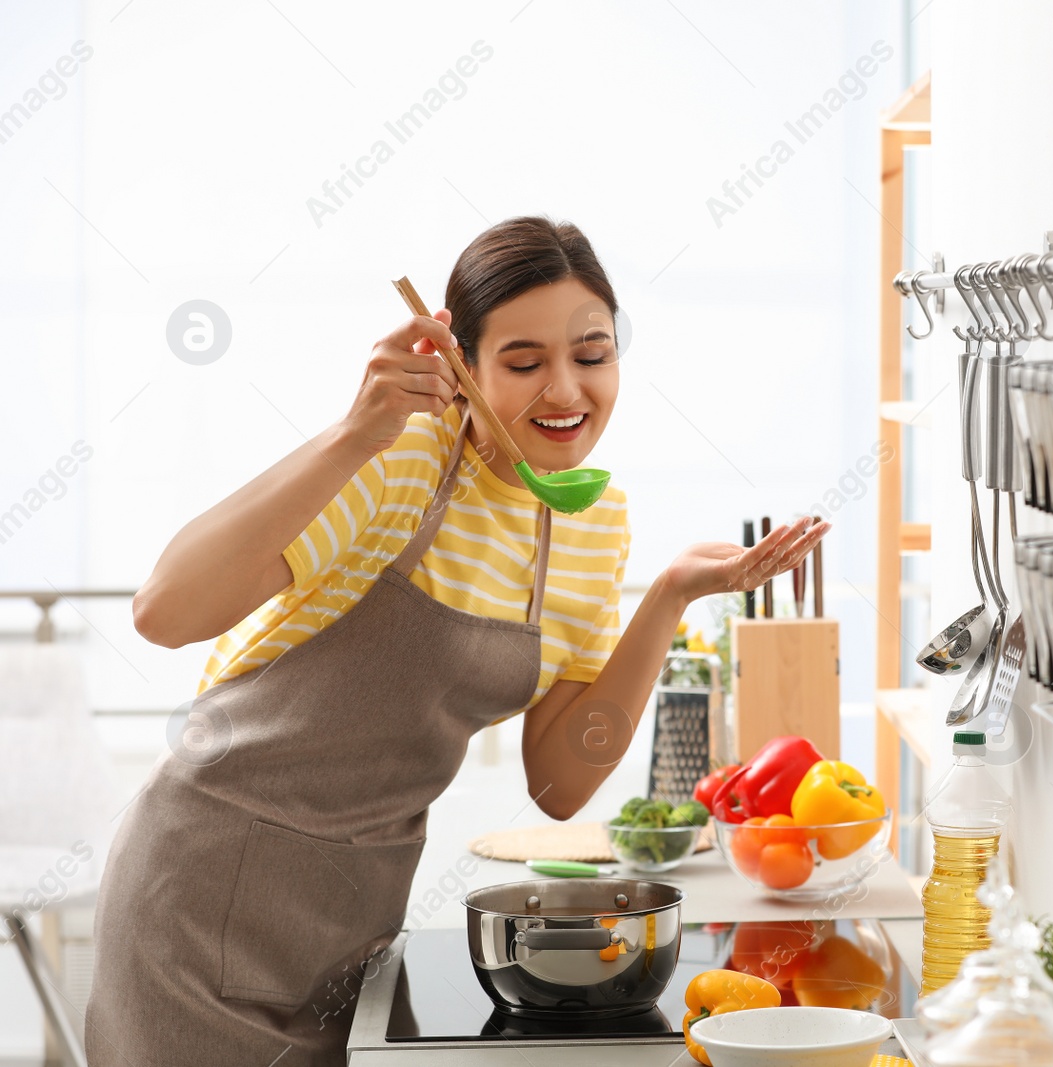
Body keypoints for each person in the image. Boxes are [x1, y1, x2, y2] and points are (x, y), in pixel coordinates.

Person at [84, 216, 829, 1065]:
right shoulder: (400, 456)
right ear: (463, 365)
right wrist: (352, 432)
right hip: (198, 896)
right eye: (522, 362)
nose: (565, 392)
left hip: (352, 925)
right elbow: (164, 610)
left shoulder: (592, 522)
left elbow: (559, 781)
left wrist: (666, 599)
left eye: (591, 355)